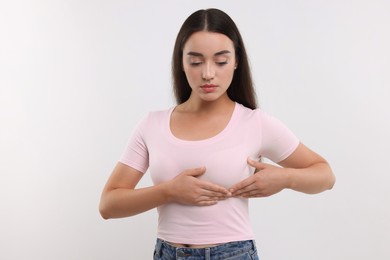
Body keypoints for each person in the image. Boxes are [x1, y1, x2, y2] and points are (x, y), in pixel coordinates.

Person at [99, 8, 335, 260]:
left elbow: (325, 175)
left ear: (236, 61)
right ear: (181, 62)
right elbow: (108, 205)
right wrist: (169, 191)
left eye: (220, 61)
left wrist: (285, 179)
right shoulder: (152, 124)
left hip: (233, 254)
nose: (208, 73)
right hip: (166, 253)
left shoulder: (255, 123)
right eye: (196, 61)